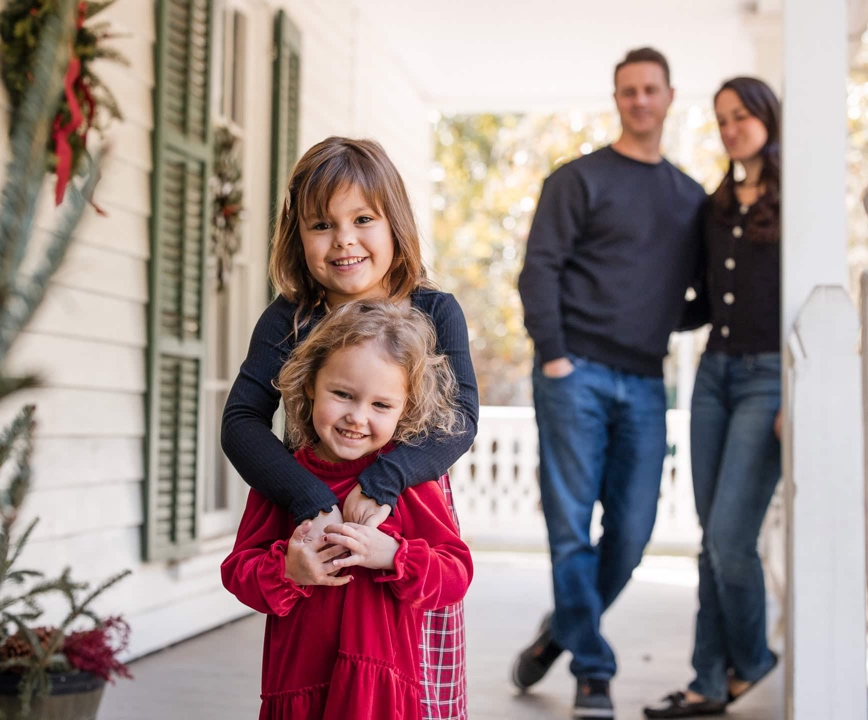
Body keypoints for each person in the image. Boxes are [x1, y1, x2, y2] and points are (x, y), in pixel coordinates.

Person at [221, 136, 478, 720]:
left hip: (406, 513)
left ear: (396, 224)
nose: (344, 240)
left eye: (363, 219)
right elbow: (240, 422)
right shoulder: (289, 317)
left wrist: (384, 481)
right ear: (298, 237)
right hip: (309, 508)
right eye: (321, 224)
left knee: (419, 684)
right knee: (314, 674)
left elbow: (460, 419)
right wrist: (307, 498)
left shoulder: (435, 311)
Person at [513, 47, 707, 719]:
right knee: (571, 528)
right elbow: (540, 269)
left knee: (631, 530)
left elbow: (706, 294)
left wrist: (655, 317)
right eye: (628, 90)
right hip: (575, 374)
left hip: (646, 381)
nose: (640, 100)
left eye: (651, 89)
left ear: (669, 95)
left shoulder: (690, 198)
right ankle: (592, 668)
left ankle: (562, 632)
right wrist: (556, 355)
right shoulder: (579, 179)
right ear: (617, 98)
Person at [643, 76, 782, 719]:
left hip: (768, 380)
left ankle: (752, 661)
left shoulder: (795, 199)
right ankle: (706, 680)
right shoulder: (715, 205)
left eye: (742, 115)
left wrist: (796, 397)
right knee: (710, 541)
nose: (731, 129)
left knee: (730, 541)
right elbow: (700, 303)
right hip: (714, 379)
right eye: (722, 119)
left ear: (767, 118)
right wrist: (643, 310)